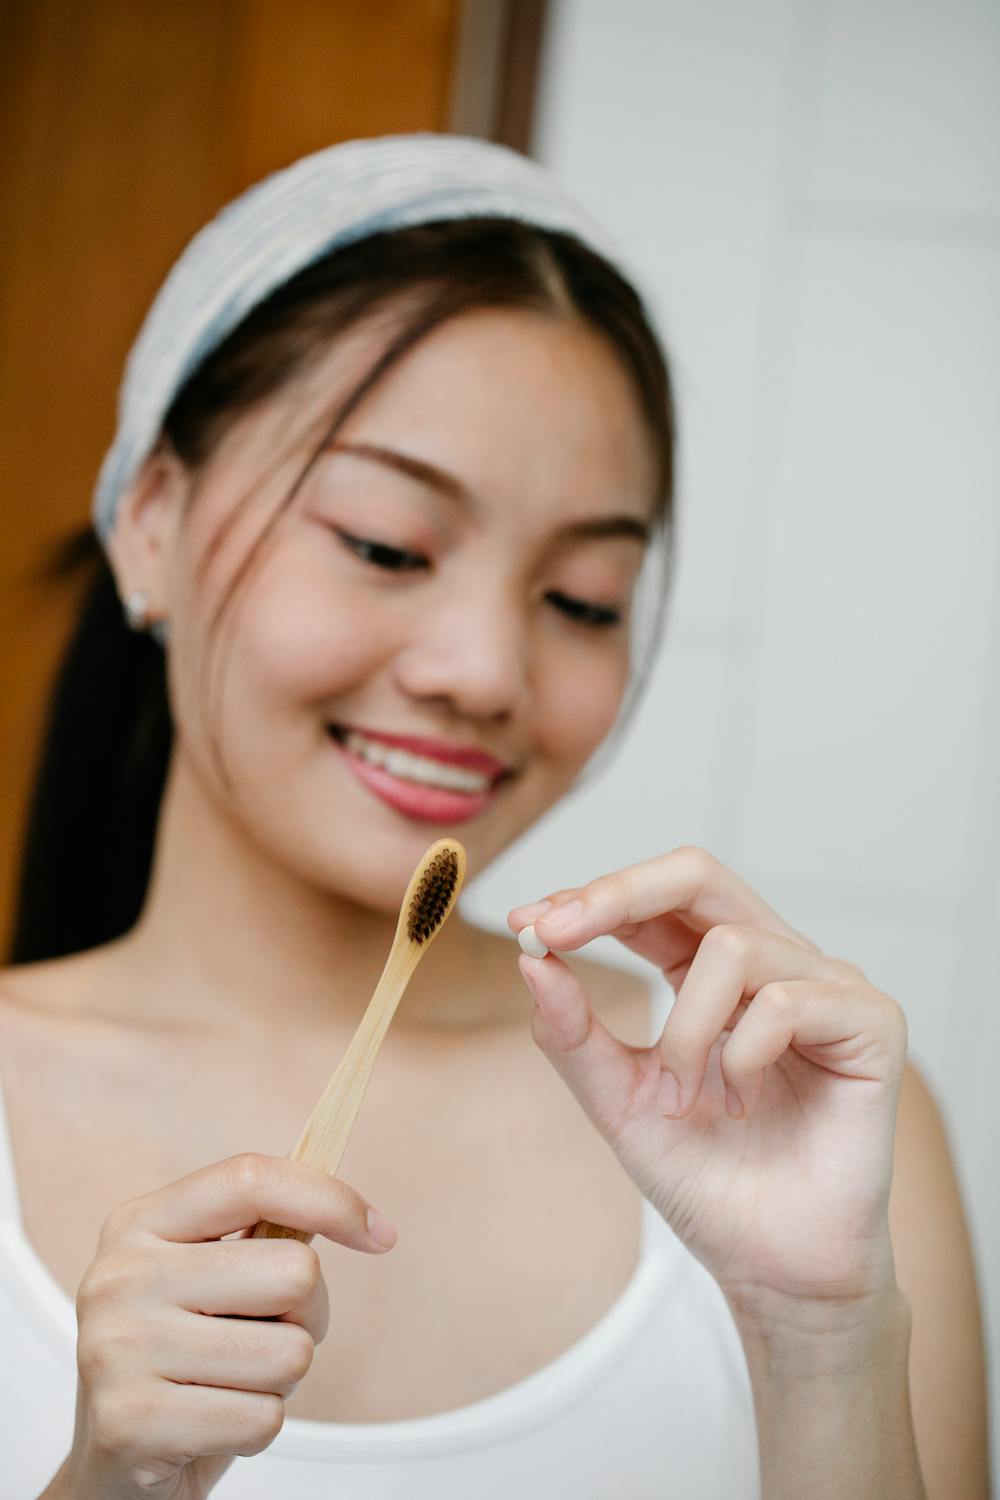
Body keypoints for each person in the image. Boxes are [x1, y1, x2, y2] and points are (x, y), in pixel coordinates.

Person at [0, 133, 988, 1499]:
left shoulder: (790, 1128)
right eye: (388, 544)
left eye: (580, 598)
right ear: (153, 519)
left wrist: (825, 1342)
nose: (487, 671)